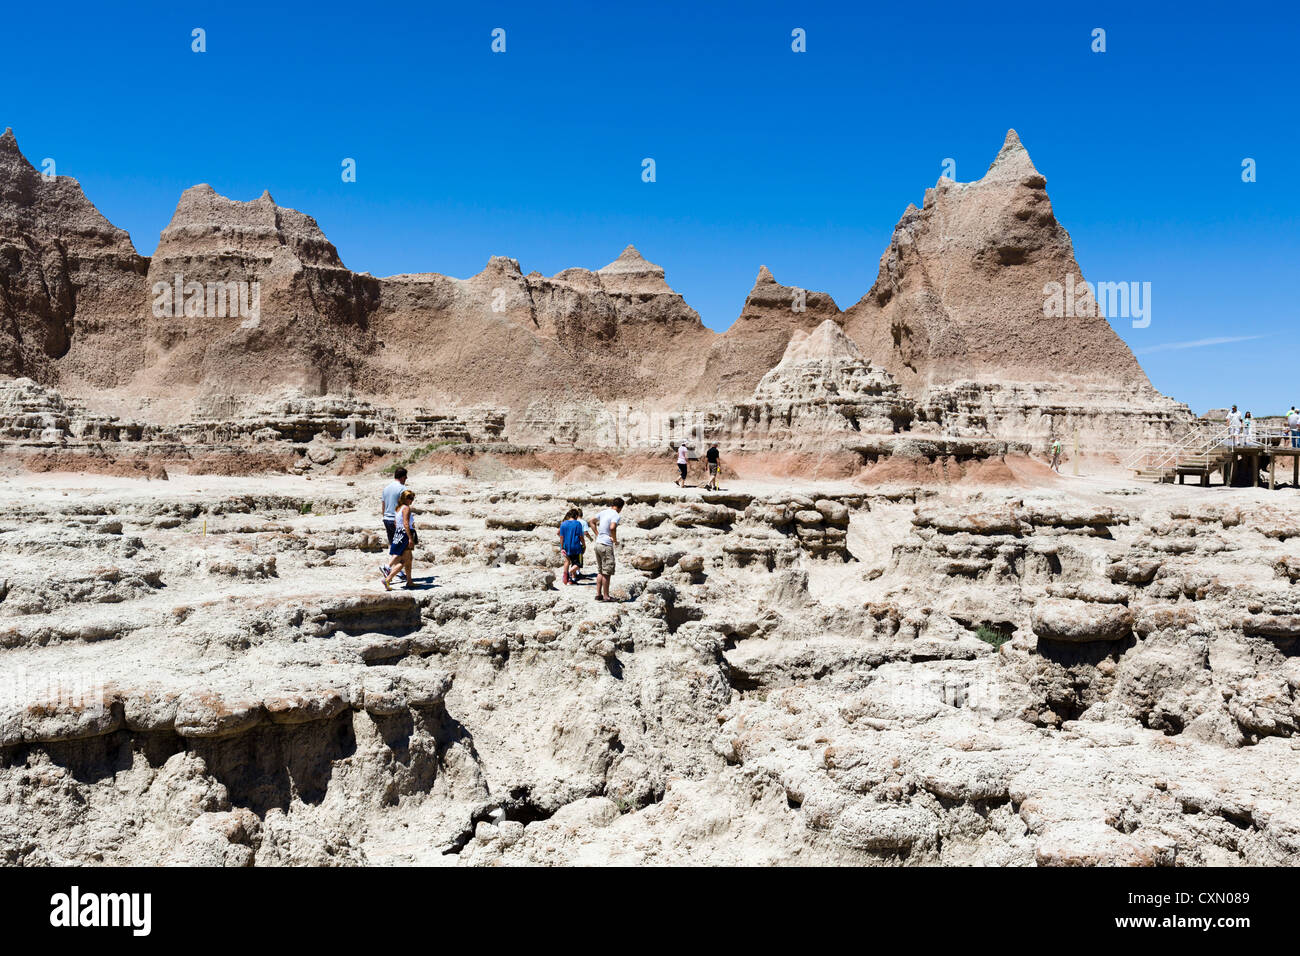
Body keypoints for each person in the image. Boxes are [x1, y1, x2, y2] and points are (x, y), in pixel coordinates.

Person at [380, 489, 417, 590]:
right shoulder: (406, 508)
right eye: (410, 498)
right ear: (405, 498)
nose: (412, 500)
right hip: (405, 535)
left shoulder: (398, 508)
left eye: (413, 498)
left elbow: (396, 523)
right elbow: (405, 523)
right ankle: (387, 579)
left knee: (409, 559)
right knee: (404, 561)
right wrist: (410, 538)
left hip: (399, 533)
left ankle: (409, 581)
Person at [589, 498, 623, 602]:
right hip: (606, 545)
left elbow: (591, 521)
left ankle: (598, 594)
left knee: (600, 570)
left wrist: (597, 534)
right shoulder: (616, 515)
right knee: (607, 571)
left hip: (598, 543)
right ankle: (606, 596)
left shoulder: (604, 512)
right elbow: (612, 527)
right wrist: (615, 539)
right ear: (621, 507)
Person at [380, 467, 409, 582]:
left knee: (394, 546)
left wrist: (384, 517)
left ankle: (399, 573)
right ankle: (388, 568)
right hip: (396, 520)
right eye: (405, 476)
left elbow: (383, 504)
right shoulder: (402, 488)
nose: (406, 478)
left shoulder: (386, 488)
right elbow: (404, 506)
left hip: (387, 519)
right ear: (402, 477)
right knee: (402, 548)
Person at [557, 508, 588, 586]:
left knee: (567, 561)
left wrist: (561, 547)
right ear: (576, 515)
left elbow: (561, 537)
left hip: (566, 547)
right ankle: (570, 573)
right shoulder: (577, 524)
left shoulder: (563, 524)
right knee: (579, 563)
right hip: (576, 547)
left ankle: (568, 579)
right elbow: (581, 536)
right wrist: (584, 545)